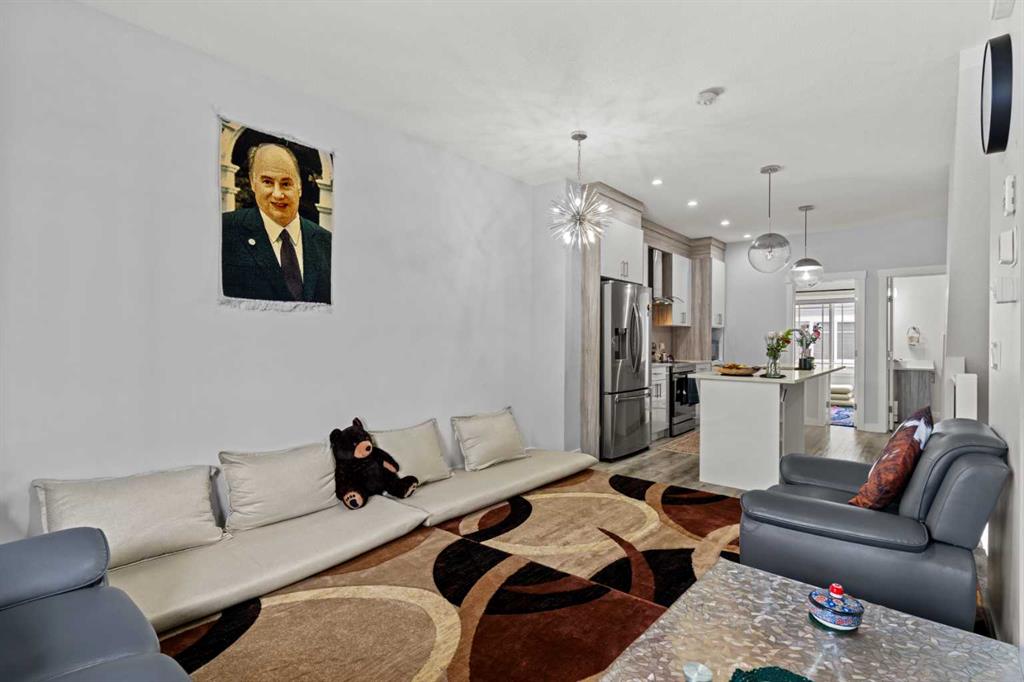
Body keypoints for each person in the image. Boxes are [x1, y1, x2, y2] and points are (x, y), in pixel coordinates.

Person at [222, 143, 332, 303]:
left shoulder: (327, 243)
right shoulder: (224, 232)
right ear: (253, 183)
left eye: (286, 184)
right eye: (267, 182)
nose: (278, 194)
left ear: (300, 187)